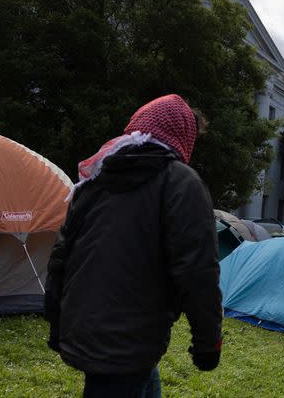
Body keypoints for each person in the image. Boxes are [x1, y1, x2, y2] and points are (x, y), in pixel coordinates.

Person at [44, 94, 222, 398]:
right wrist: (208, 342)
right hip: (129, 340)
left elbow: (62, 255)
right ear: (183, 137)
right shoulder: (178, 181)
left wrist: (55, 320)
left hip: (89, 329)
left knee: (139, 379)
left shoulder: (95, 179)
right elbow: (196, 269)